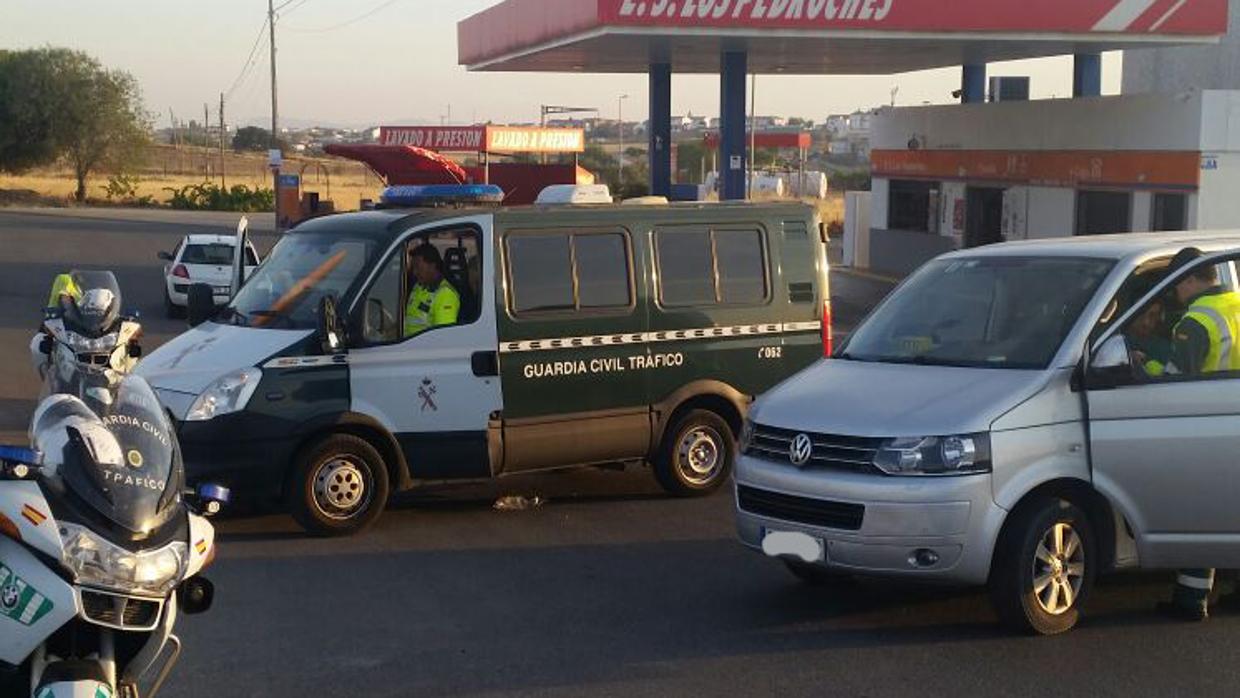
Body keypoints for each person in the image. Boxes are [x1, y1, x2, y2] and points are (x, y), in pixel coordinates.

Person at [1158, 247, 1240, 621]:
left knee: (1201, 509)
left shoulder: (1197, 320)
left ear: (1190, 279)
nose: (1175, 292)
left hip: (1210, 422)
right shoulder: (1236, 304)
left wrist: (1146, 364)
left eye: (1177, 284)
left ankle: (1191, 600)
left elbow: (1175, 379)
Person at [403, 243, 460, 338]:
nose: (414, 272)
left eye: (418, 268)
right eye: (414, 268)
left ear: (432, 266)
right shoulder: (418, 286)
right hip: (404, 345)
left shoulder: (445, 294)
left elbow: (443, 337)